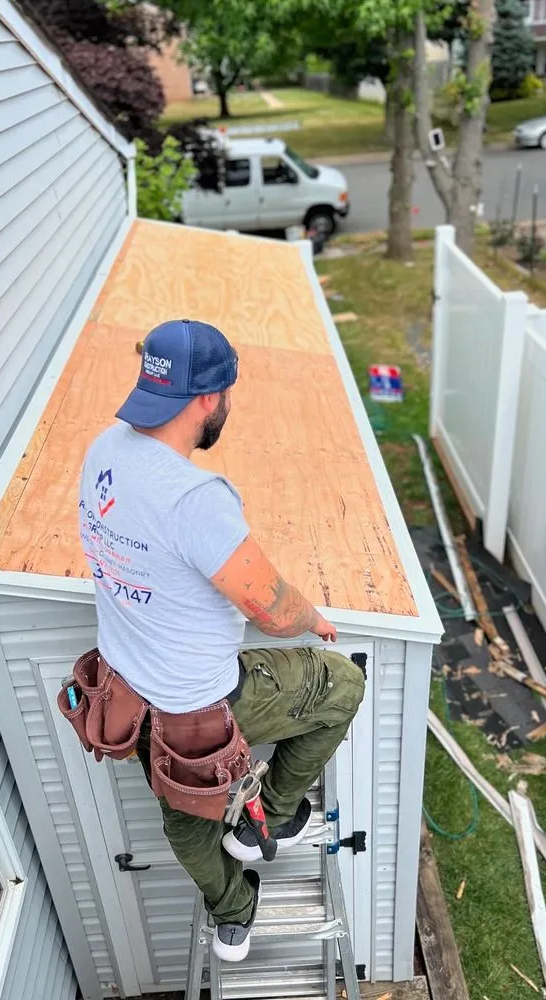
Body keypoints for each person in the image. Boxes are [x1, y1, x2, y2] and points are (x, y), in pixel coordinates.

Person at [78, 319, 365, 962]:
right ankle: (277, 809)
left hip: (126, 700)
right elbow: (269, 607)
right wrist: (314, 619)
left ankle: (233, 910)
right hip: (199, 705)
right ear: (209, 398)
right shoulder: (194, 498)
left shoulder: (105, 451)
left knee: (184, 814)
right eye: (226, 395)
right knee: (344, 684)